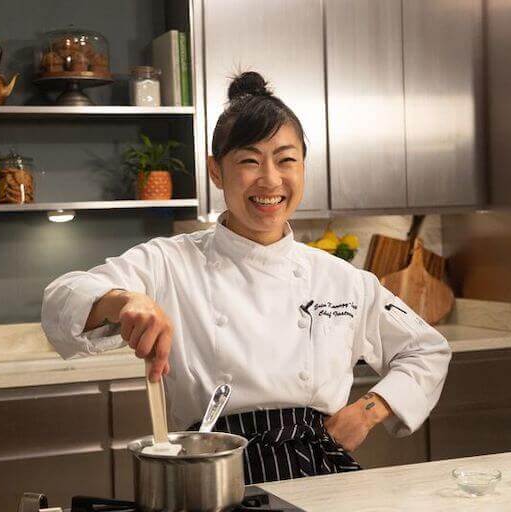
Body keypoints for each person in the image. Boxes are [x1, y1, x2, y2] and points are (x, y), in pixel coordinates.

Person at [42, 71, 451, 484]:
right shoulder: (169, 262)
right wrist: (124, 301)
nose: (271, 180)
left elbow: (427, 351)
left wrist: (368, 411)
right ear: (216, 172)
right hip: (212, 475)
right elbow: (62, 297)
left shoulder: (341, 279)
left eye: (286, 160)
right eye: (250, 161)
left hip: (320, 472)